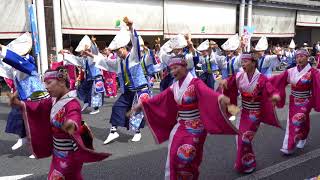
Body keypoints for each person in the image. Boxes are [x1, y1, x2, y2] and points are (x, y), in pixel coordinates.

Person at [132, 54, 238, 180]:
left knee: (188, 158)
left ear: (185, 66)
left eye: (176, 67)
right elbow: (159, 98)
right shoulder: (174, 86)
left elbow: (207, 93)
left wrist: (219, 98)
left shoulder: (196, 83)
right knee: (174, 155)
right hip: (181, 126)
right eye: (171, 69)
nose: (173, 71)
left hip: (197, 128)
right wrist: (143, 104)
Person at [9, 66, 110, 180]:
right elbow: (39, 106)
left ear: (61, 82)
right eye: (45, 83)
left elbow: (74, 115)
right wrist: (20, 103)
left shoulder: (72, 103)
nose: (46, 87)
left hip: (70, 156)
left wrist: (71, 124)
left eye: (49, 83)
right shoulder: (53, 100)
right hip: (58, 154)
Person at [91, 17, 150, 143]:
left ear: (123, 48)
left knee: (136, 112)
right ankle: (113, 131)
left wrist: (131, 27)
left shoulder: (133, 57)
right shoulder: (119, 61)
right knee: (117, 107)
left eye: (118, 51)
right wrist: (91, 54)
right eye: (116, 51)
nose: (117, 53)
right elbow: (105, 62)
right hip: (127, 90)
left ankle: (137, 132)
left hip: (139, 90)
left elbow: (135, 43)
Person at [220, 53, 281, 173]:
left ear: (253, 63)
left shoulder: (261, 78)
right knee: (240, 138)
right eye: (242, 62)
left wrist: (274, 95)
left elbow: (270, 89)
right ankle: (247, 161)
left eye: (246, 61)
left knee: (244, 138)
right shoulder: (239, 76)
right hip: (242, 111)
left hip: (255, 113)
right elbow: (229, 82)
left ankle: (246, 163)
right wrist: (224, 83)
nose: (243, 64)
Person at [0, 33, 48, 157]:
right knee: (16, 116)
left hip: (35, 96)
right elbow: (12, 75)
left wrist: (2, 50)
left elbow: (17, 63)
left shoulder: (28, 61)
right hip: (24, 96)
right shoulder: (17, 64)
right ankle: (23, 137)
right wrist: (14, 95)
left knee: (36, 124)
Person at [270, 49, 320, 155]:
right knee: (302, 121)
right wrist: (262, 82)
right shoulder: (290, 71)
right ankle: (303, 136)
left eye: (302, 56)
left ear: (307, 58)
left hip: (306, 100)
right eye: (297, 57)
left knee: (295, 121)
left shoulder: (313, 72)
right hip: (294, 100)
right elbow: (277, 80)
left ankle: (288, 146)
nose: (299, 59)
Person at [61, 36, 105, 115]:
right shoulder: (84, 59)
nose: (82, 53)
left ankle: (96, 108)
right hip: (88, 78)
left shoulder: (93, 57)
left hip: (96, 78)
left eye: (83, 51)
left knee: (95, 93)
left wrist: (92, 43)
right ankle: (86, 102)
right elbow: (75, 59)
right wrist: (65, 55)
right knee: (81, 90)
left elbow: (95, 52)